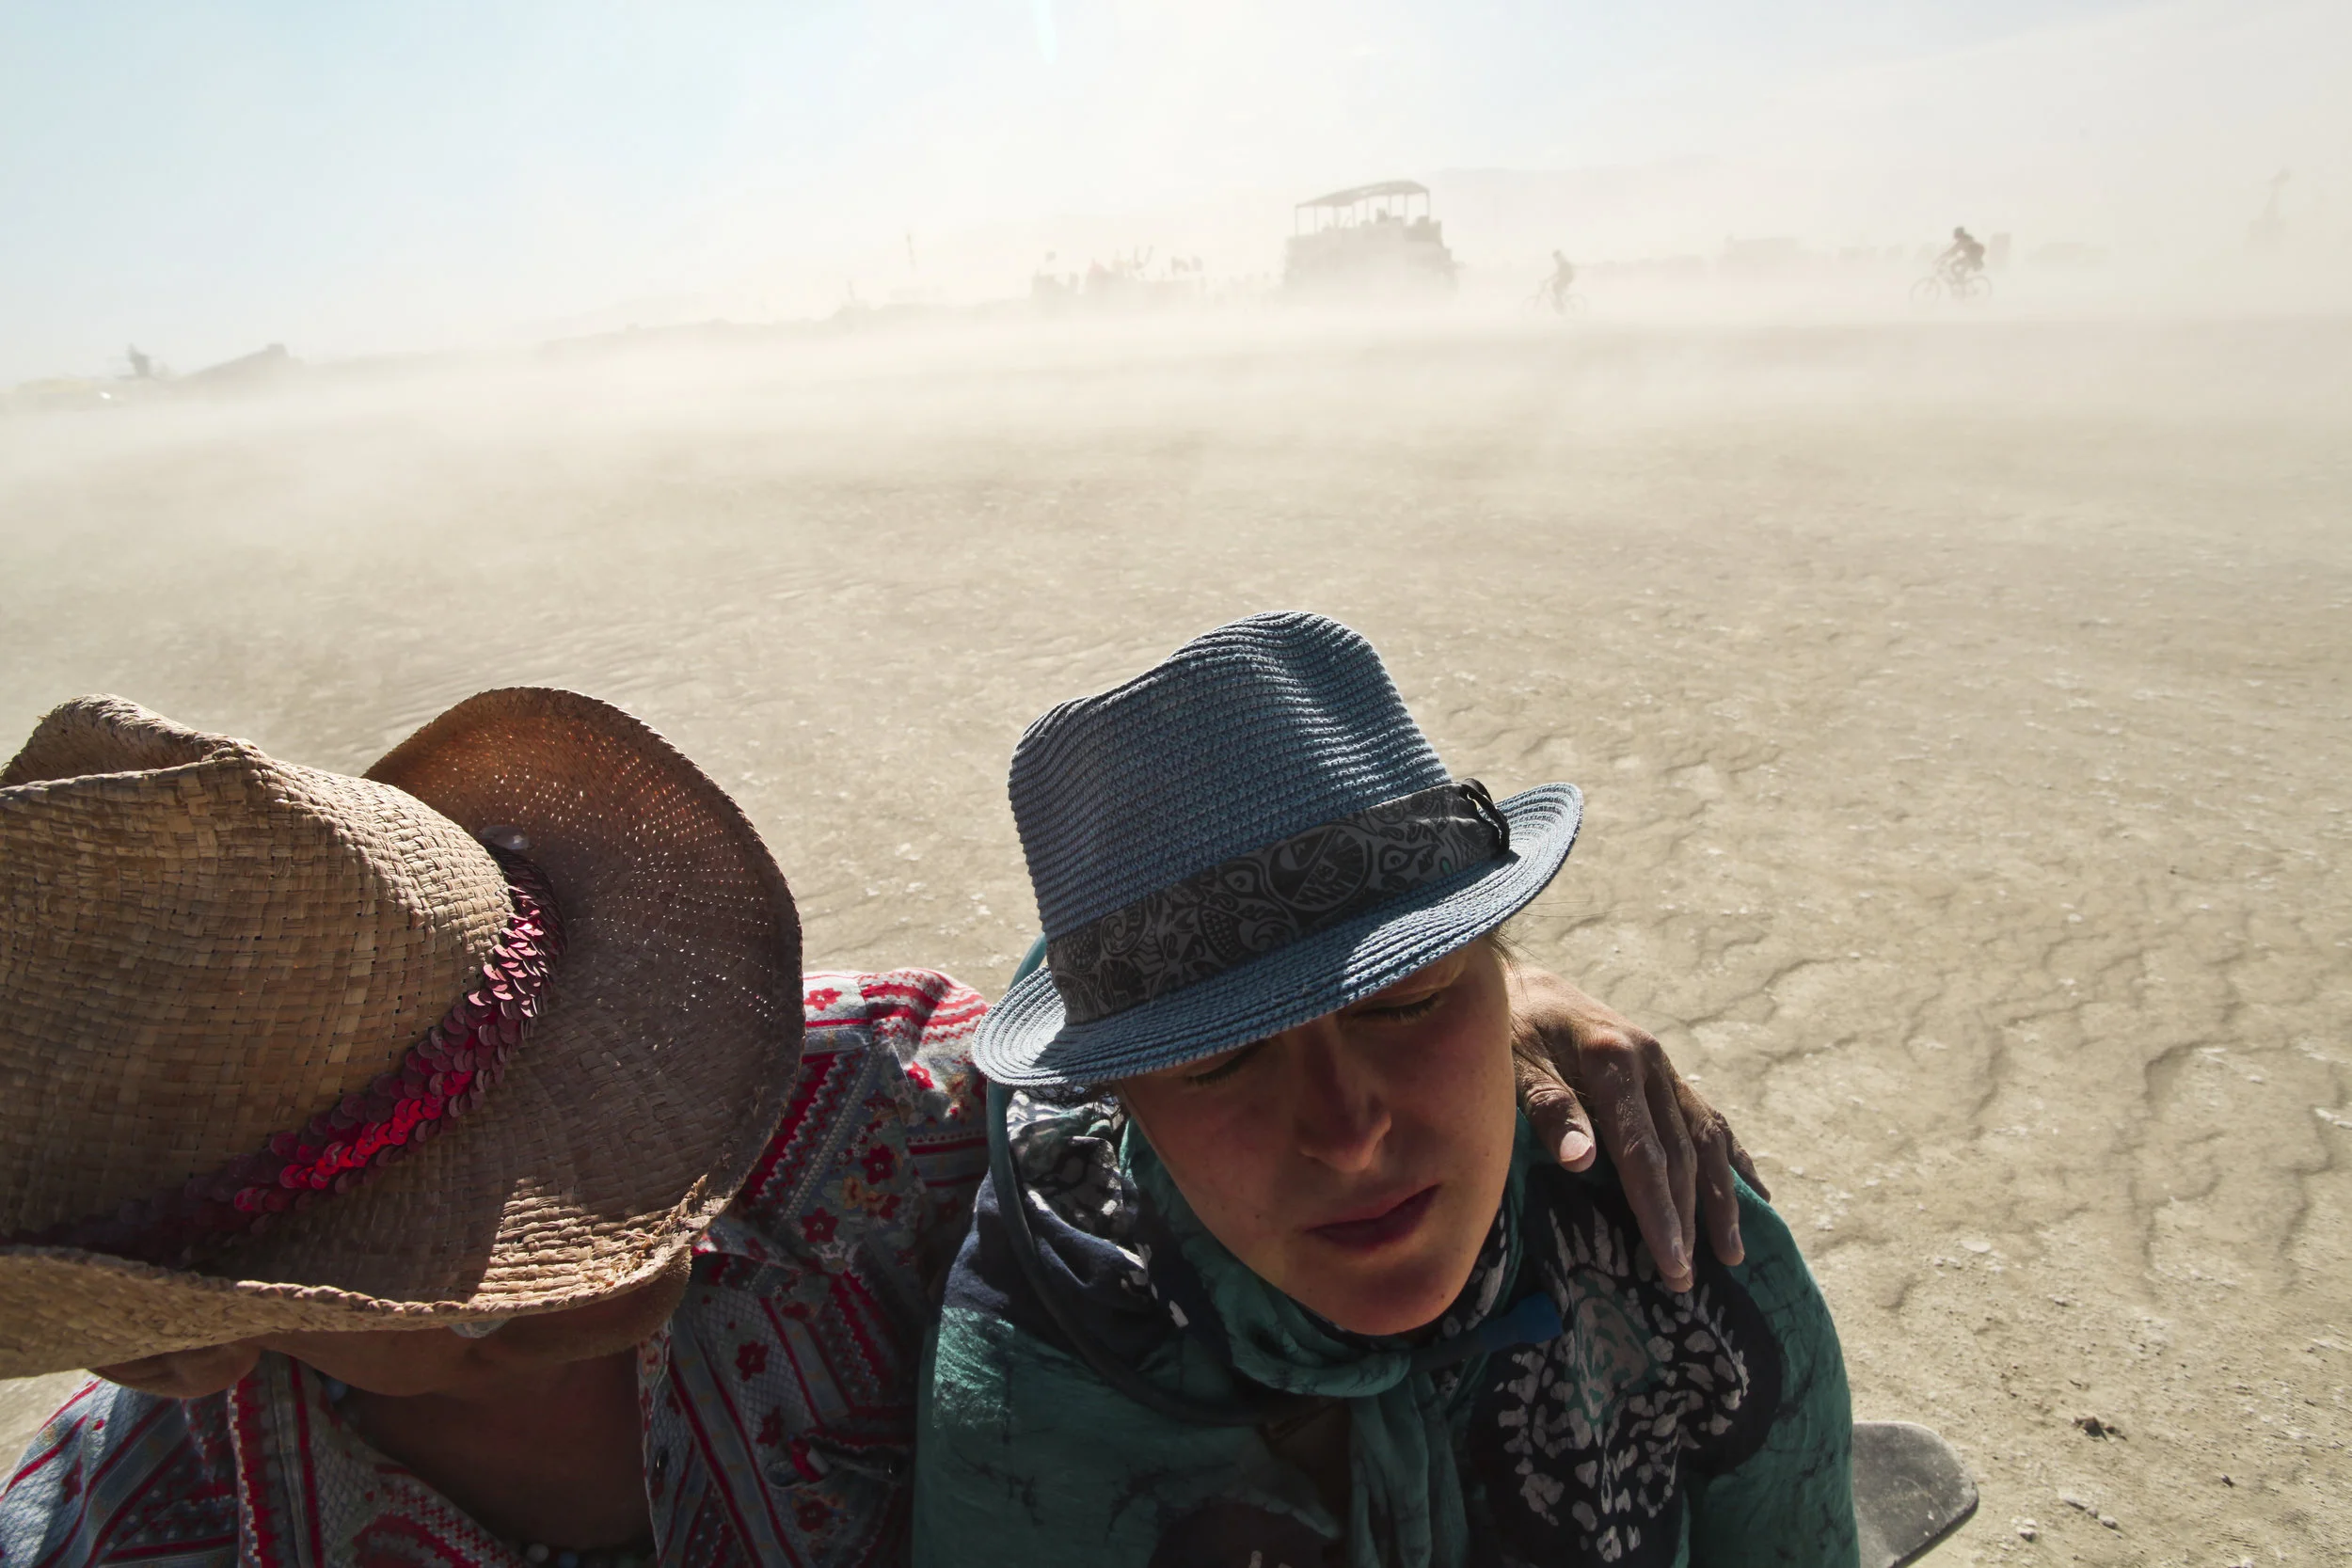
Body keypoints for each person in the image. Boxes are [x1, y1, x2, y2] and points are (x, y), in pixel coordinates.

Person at [0, 687, 1750, 1568]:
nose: (578, 1200)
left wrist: (1484, 1002)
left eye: (572, 1088)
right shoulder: (128, 1529)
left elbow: (1174, 1028)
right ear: (183, 1345)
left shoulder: (871, 1108)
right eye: (428, 1244)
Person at [914, 612, 1855, 1567]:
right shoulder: (1027, 1403)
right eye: (1218, 1060)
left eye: (1408, 999)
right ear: (1121, 1101)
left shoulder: (1658, 1221)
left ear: (1506, 980)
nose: (1347, 1130)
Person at [1543, 248, 1576, 312]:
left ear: (1557, 256)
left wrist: (1548, 279)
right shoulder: (1562, 260)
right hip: (1566, 277)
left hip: (1566, 277)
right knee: (1555, 287)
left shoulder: (1561, 261)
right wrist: (1549, 279)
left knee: (1556, 288)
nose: (1555, 259)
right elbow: (1558, 273)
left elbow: (1559, 272)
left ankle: (1560, 305)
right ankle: (1560, 302)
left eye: (1555, 257)